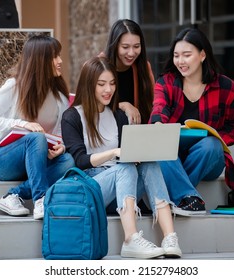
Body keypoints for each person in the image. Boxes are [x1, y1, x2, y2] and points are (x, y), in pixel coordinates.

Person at [61, 56, 182, 259]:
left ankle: (170, 237)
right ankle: (130, 239)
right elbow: (80, 161)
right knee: (124, 167)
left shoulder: (118, 115)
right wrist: (115, 153)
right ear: (88, 85)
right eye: (101, 84)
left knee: (149, 163)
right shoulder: (72, 116)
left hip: (122, 190)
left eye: (112, 83)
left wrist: (137, 154)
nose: (108, 89)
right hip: (92, 187)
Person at [149, 27, 234, 216]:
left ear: (202, 55)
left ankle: (176, 193)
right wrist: (158, 126)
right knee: (161, 146)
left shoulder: (225, 87)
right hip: (172, 156)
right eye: (176, 55)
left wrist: (219, 138)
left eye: (187, 55)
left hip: (208, 158)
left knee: (210, 145)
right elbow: (159, 109)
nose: (180, 61)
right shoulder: (166, 83)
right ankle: (189, 199)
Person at [0, 35, 75, 220]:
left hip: (35, 163)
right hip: (3, 162)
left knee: (69, 161)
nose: (60, 61)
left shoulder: (60, 97)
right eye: (55, 56)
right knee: (36, 137)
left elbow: (59, 133)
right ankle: (40, 198)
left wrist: (60, 147)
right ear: (40, 60)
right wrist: (22, 124)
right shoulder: (14, 86)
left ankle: (13, 195)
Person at [103, 19, 154, 124]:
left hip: (139, 132)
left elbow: (154, 102)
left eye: (136, 46)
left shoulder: (144, 66)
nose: (131, 53)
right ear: (115, 45)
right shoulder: (98, 67)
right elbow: (89, 105)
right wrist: (122, 105)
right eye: (125, 47)